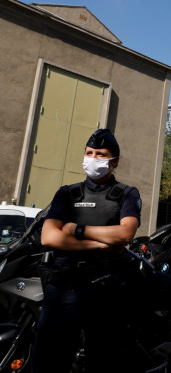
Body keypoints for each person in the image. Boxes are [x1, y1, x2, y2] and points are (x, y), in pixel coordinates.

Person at [32, 129, 142, 373]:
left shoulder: (126, 193)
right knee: (48, 359)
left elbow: (125, 233)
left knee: (102, 359)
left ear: (114, 161)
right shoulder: (67, 193)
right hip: (64, 284)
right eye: (89, 152)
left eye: (100, 154)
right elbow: (49, 236)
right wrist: (99, 243)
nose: (93, 158)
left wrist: (77, 229)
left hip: (105, 289)